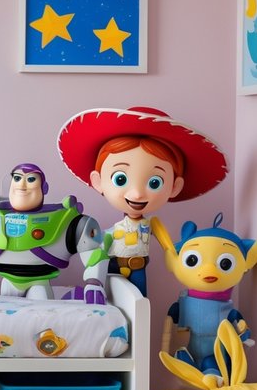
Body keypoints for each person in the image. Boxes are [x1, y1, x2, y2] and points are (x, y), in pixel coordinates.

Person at [57, 106, 228, 297]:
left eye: (155, 182)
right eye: (120, 179)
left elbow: (168, 246)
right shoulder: (111, 231)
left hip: (139, 269)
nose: (137, 194)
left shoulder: (152, 224)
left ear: (174, 187)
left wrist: (174, 256)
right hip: (112, 267)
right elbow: (100, 246)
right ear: (98, 182)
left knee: (140, 304)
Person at [0, 162, 110, 303]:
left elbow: (92, 251)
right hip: (7, 282)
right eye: (17, 178)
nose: (22, 185)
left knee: (40, 311)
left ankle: (72, 295)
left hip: (39, 283)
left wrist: (94, 284)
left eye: (30, 179)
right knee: (6, 310)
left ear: (44, 188)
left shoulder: (67, 221)